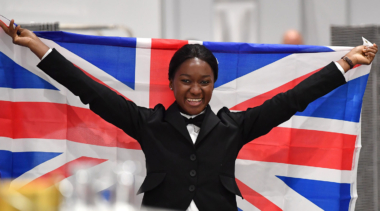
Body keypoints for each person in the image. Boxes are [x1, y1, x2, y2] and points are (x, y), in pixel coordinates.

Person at [0, 20, 378, 211]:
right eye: (186, 81)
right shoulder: (147, 123)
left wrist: (345, 63)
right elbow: (89, 91)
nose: (195, 90)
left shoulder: (236, 126)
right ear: (171, 82)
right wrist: (36, 46)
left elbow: (293, 99)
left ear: (214, 84)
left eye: (204, 82)